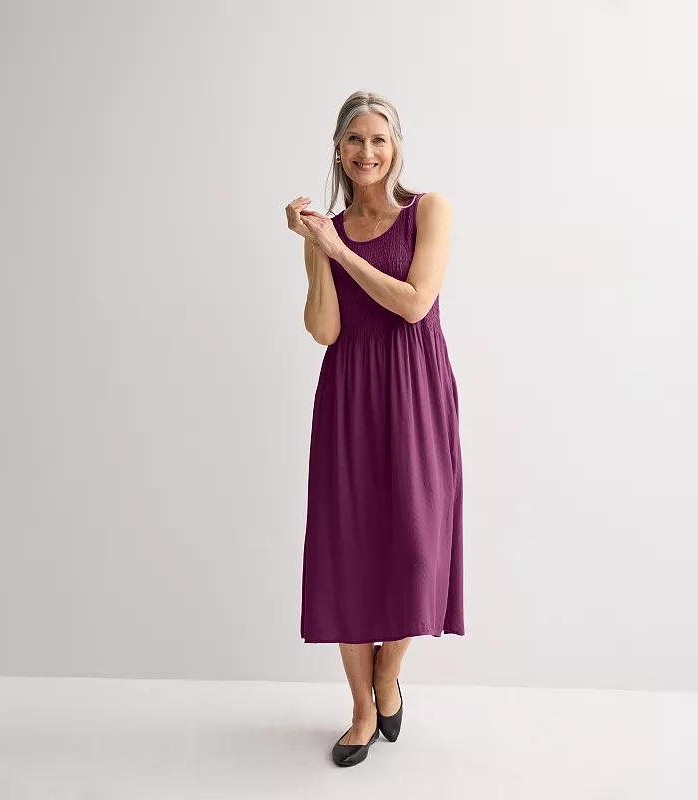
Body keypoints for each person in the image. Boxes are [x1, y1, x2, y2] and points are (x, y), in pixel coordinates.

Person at [285, 90, 465, 767]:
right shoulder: (327, 231)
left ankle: (389, 675)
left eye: (379, 139)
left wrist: (341, 250)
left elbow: (415, 304)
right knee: (350, 547)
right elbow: (325, 328)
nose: (367, 151)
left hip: (416, 389)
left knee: (417, 543)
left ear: (396, 148)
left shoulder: (428, 211)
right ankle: (362, 708)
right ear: (339, 149)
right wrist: (318, 250)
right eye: (355, 140)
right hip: (350, 392)